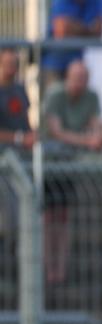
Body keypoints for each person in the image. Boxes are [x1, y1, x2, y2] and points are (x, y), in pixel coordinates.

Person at [42, 60, 102, 287]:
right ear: (67, 77)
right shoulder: (55, 95)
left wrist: (98, 138)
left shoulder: (91, 97)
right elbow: (56, 132)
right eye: (76, 77)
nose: (80, 83)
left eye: (84, 78)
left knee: (63, 217)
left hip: (68, 166)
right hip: (48, 165)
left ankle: (61, 270)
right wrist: (88, 141)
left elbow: (97, 124)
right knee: (48, 219)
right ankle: (47, 268)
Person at [0, 48, 36, 250]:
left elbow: (25, 120)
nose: (12, 69)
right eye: (8, 64)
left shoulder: (20, 89)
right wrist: (20, 138)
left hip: (21, 159)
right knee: (9, 212)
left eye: (14, 64)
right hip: (3, 161)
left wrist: (30, 135)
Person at [42, 0, 102, 87]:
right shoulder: (61, 2)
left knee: (80, 98)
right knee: (55, 97)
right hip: (54, 65)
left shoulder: (92, 2)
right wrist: (88, 30)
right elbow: (62, 30)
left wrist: (73, 27)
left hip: (78, 67)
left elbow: (98, 32)